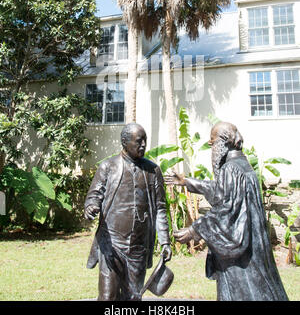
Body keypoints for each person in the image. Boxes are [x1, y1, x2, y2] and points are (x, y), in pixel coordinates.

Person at [164, 121, 289, 301]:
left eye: (213, 142)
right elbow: (222, 192)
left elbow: (227, 210)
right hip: (253, 248)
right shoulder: (242, 165)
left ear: (223, 142)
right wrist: (186, 181)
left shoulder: (231, 169)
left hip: (241, 259)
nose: (212, 147)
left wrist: (194, 230)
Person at [84, 123, 172, 301]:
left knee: (133, 297)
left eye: (145, 141)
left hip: (138, 247)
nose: (143, 145)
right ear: (124, 142)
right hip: (112, 245)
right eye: (138, 141)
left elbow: (160, 208)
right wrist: (91, 206)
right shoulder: (108, 167)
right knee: (108, 296)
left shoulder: (153, 170)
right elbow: (94, 195)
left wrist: (165, 241)